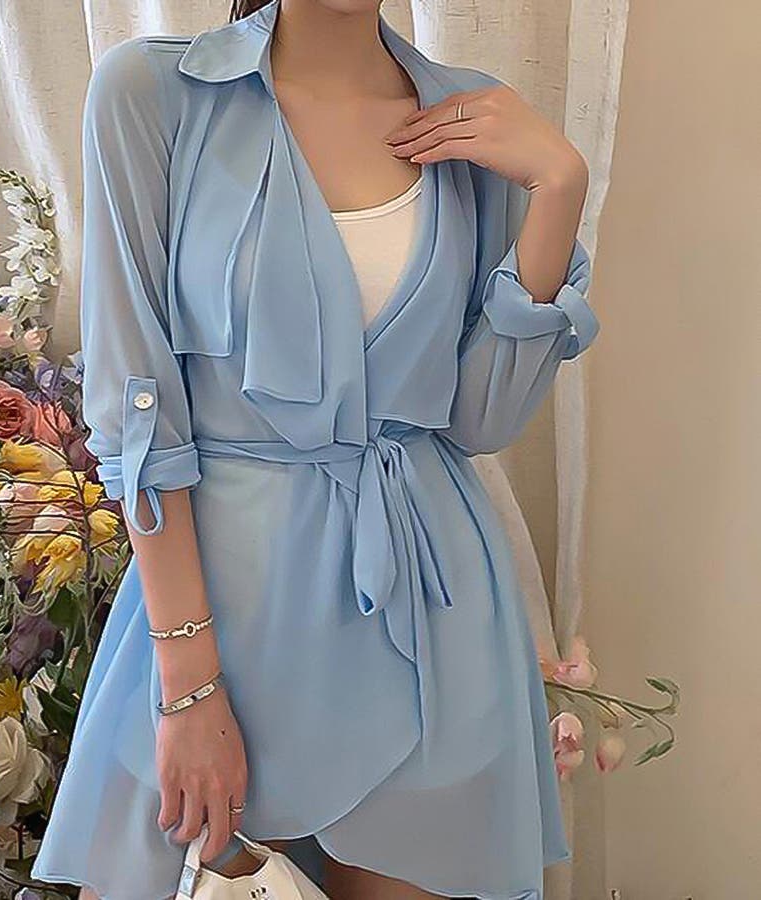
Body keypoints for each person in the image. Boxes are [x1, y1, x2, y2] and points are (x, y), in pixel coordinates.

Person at [31, 0, 599, 897]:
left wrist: (559, 186)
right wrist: (188, 686)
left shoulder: (474, 120)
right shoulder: (153, 94)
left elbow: (480, 422)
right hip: (223, 614)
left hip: (431, 619)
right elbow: (140, 419)